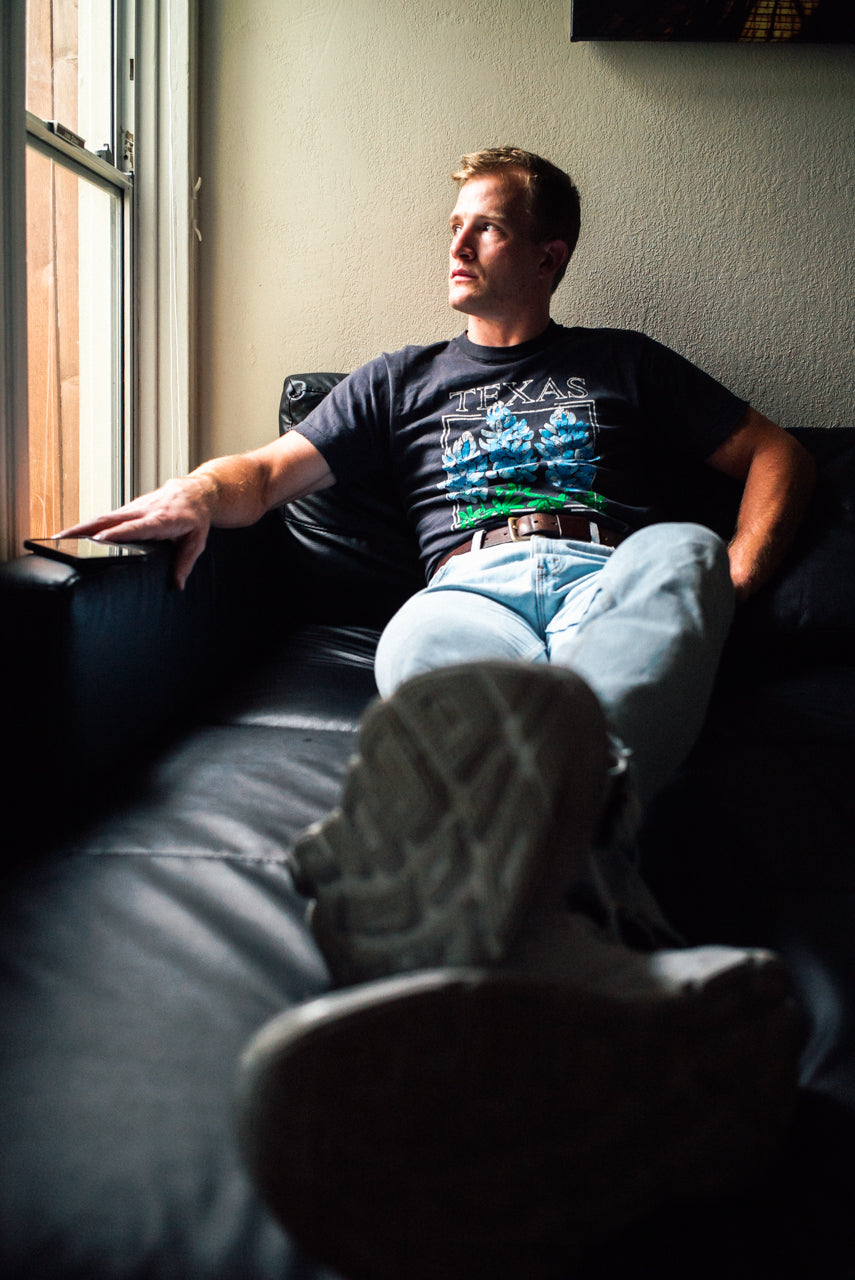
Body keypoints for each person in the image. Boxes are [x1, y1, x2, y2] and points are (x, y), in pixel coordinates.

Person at [63, 148, 814, 1277]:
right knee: (415, 643)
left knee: (681, 547)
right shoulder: (400, 380)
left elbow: (773, 453)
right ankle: (600, 939)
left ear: (549, 256)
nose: (456, 242)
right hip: (468, 591)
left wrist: (733, 587)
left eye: (488, 227)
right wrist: (192, 496)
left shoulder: (624, 362)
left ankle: (508, 892)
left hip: (612, 579)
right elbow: (262, 472)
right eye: (455, 222)